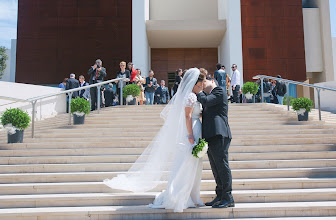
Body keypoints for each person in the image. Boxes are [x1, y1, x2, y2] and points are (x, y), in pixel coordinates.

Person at [104, 68, 205, 212]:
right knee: (187, 165)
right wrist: (190, 135)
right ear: (195, 82)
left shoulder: (190, 95)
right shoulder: (191, 97)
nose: (202, 84)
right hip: (191, 131)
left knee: (190, 164)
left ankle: (190, 195)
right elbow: (187, 116)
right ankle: (182, 195)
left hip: (193, 130)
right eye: (201, 82)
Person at [196, 74, 234, 209]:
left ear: (212, 81)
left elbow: (206, 101)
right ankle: (220, 195)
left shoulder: (219, 91)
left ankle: (228, 197)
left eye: (204, 81)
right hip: (210, 135)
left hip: (220, 134)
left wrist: (198, 91)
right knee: (215, 167)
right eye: (200, 83)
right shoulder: (208, 97)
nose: (202, 84)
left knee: (222, 166)